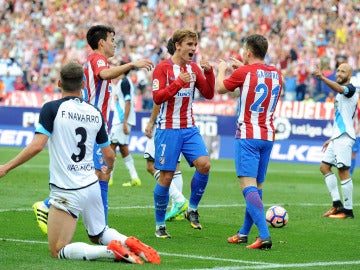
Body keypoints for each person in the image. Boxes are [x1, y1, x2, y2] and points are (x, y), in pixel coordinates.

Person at [0, 62, 160, 264]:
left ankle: (111, 252)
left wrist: (6, 167)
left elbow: (37, 146)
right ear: (83, 84)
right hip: (91, 184)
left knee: (58, 249)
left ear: (59, 83)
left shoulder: (51, 109)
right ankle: (127, 241)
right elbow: (109, 154)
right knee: (99, 232)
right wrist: (107, 169)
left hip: (66, 189)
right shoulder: (95, 112)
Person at [32, 25, 154, 233]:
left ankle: (98, 223)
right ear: (101, 43)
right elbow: (104, 74)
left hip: (94, 123)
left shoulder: (96, 60)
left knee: (101, 173)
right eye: (112, 39)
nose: (115, 43)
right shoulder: (98, 60)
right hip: (92, 124)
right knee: (99, 172)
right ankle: (50, 206)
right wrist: (132, 64)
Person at [215, 34, 283, 250]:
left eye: (245, 50)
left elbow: (220, 89)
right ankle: (244, 233)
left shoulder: (244, 72)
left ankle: (264, 235)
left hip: (248, 135)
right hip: (268, 136)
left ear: (249, 52)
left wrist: (222, 69)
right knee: (257, 186)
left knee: (247, 187)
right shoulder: (276, 74)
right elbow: (254, 84)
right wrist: (241, 69)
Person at [151, 29, 215, 238]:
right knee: (167, 177)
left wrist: (210, 74)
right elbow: (158, 97)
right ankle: (160, 225)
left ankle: (192, 208)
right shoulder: (162, 68)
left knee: (204, 164)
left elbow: (209, 93)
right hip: (168, 129)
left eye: (195, 45)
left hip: (189, 127)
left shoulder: (194, 68)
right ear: (177, 45)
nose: (193, 49)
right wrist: (179, 82)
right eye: (189, 44)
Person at [313, 63, 358, 219]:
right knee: (324, 167)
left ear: (349, 75)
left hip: (345, 137)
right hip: (338, 137)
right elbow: (343, 118)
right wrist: (331, 138)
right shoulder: (341, 94)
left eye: (342, 71)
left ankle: (348, 210)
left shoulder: (351, 90)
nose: (339, 73)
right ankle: (336, 204)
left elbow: (339, 88)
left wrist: (322, 78)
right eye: (338, 70)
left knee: (343, 171)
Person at [144, 103, 189, 221]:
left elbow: (158, 100)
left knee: (151, 166)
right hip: (180, 125)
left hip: (163, 124)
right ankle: (177, 210)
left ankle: (179, 200)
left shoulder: (164, 83)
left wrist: (151, 122)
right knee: (175, 167)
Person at [109, 62, 141, 187]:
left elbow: (128, 102)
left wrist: (125, 122)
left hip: (121, 121)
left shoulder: (124, 83)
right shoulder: (125, 82)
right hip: (122, 120)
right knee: (123, 148)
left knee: (111, 146)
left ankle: (108, 177)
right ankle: (135, 178)